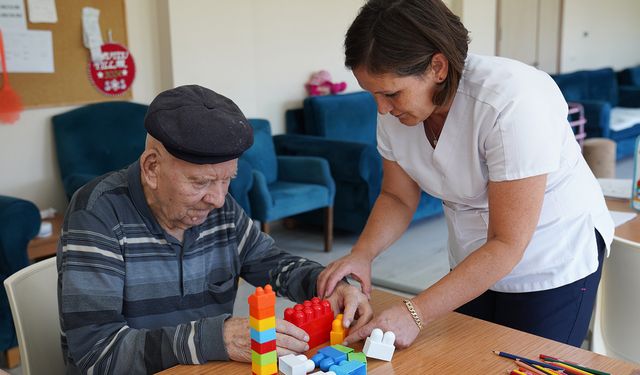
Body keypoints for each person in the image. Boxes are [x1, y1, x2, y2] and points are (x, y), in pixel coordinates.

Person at [317, 0, 614, 349]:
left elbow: (507, 242)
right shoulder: (396, 111)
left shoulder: (513, 103)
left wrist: (414, 312)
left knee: (529, 364)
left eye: (391, 93)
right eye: (373, 95)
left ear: (437, 67)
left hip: (548, 256)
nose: (382, 108)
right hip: (474, 257)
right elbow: (397, 196)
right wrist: (362, 254)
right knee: (470, 358)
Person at [57, 85, 372, 374]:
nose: (219, 199)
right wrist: (215, 337)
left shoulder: (220, 209)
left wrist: (328, 285)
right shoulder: (95, 215)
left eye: (227, 179)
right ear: (152, 167)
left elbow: (273, 263)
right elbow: (98, 354)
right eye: (201, 182)